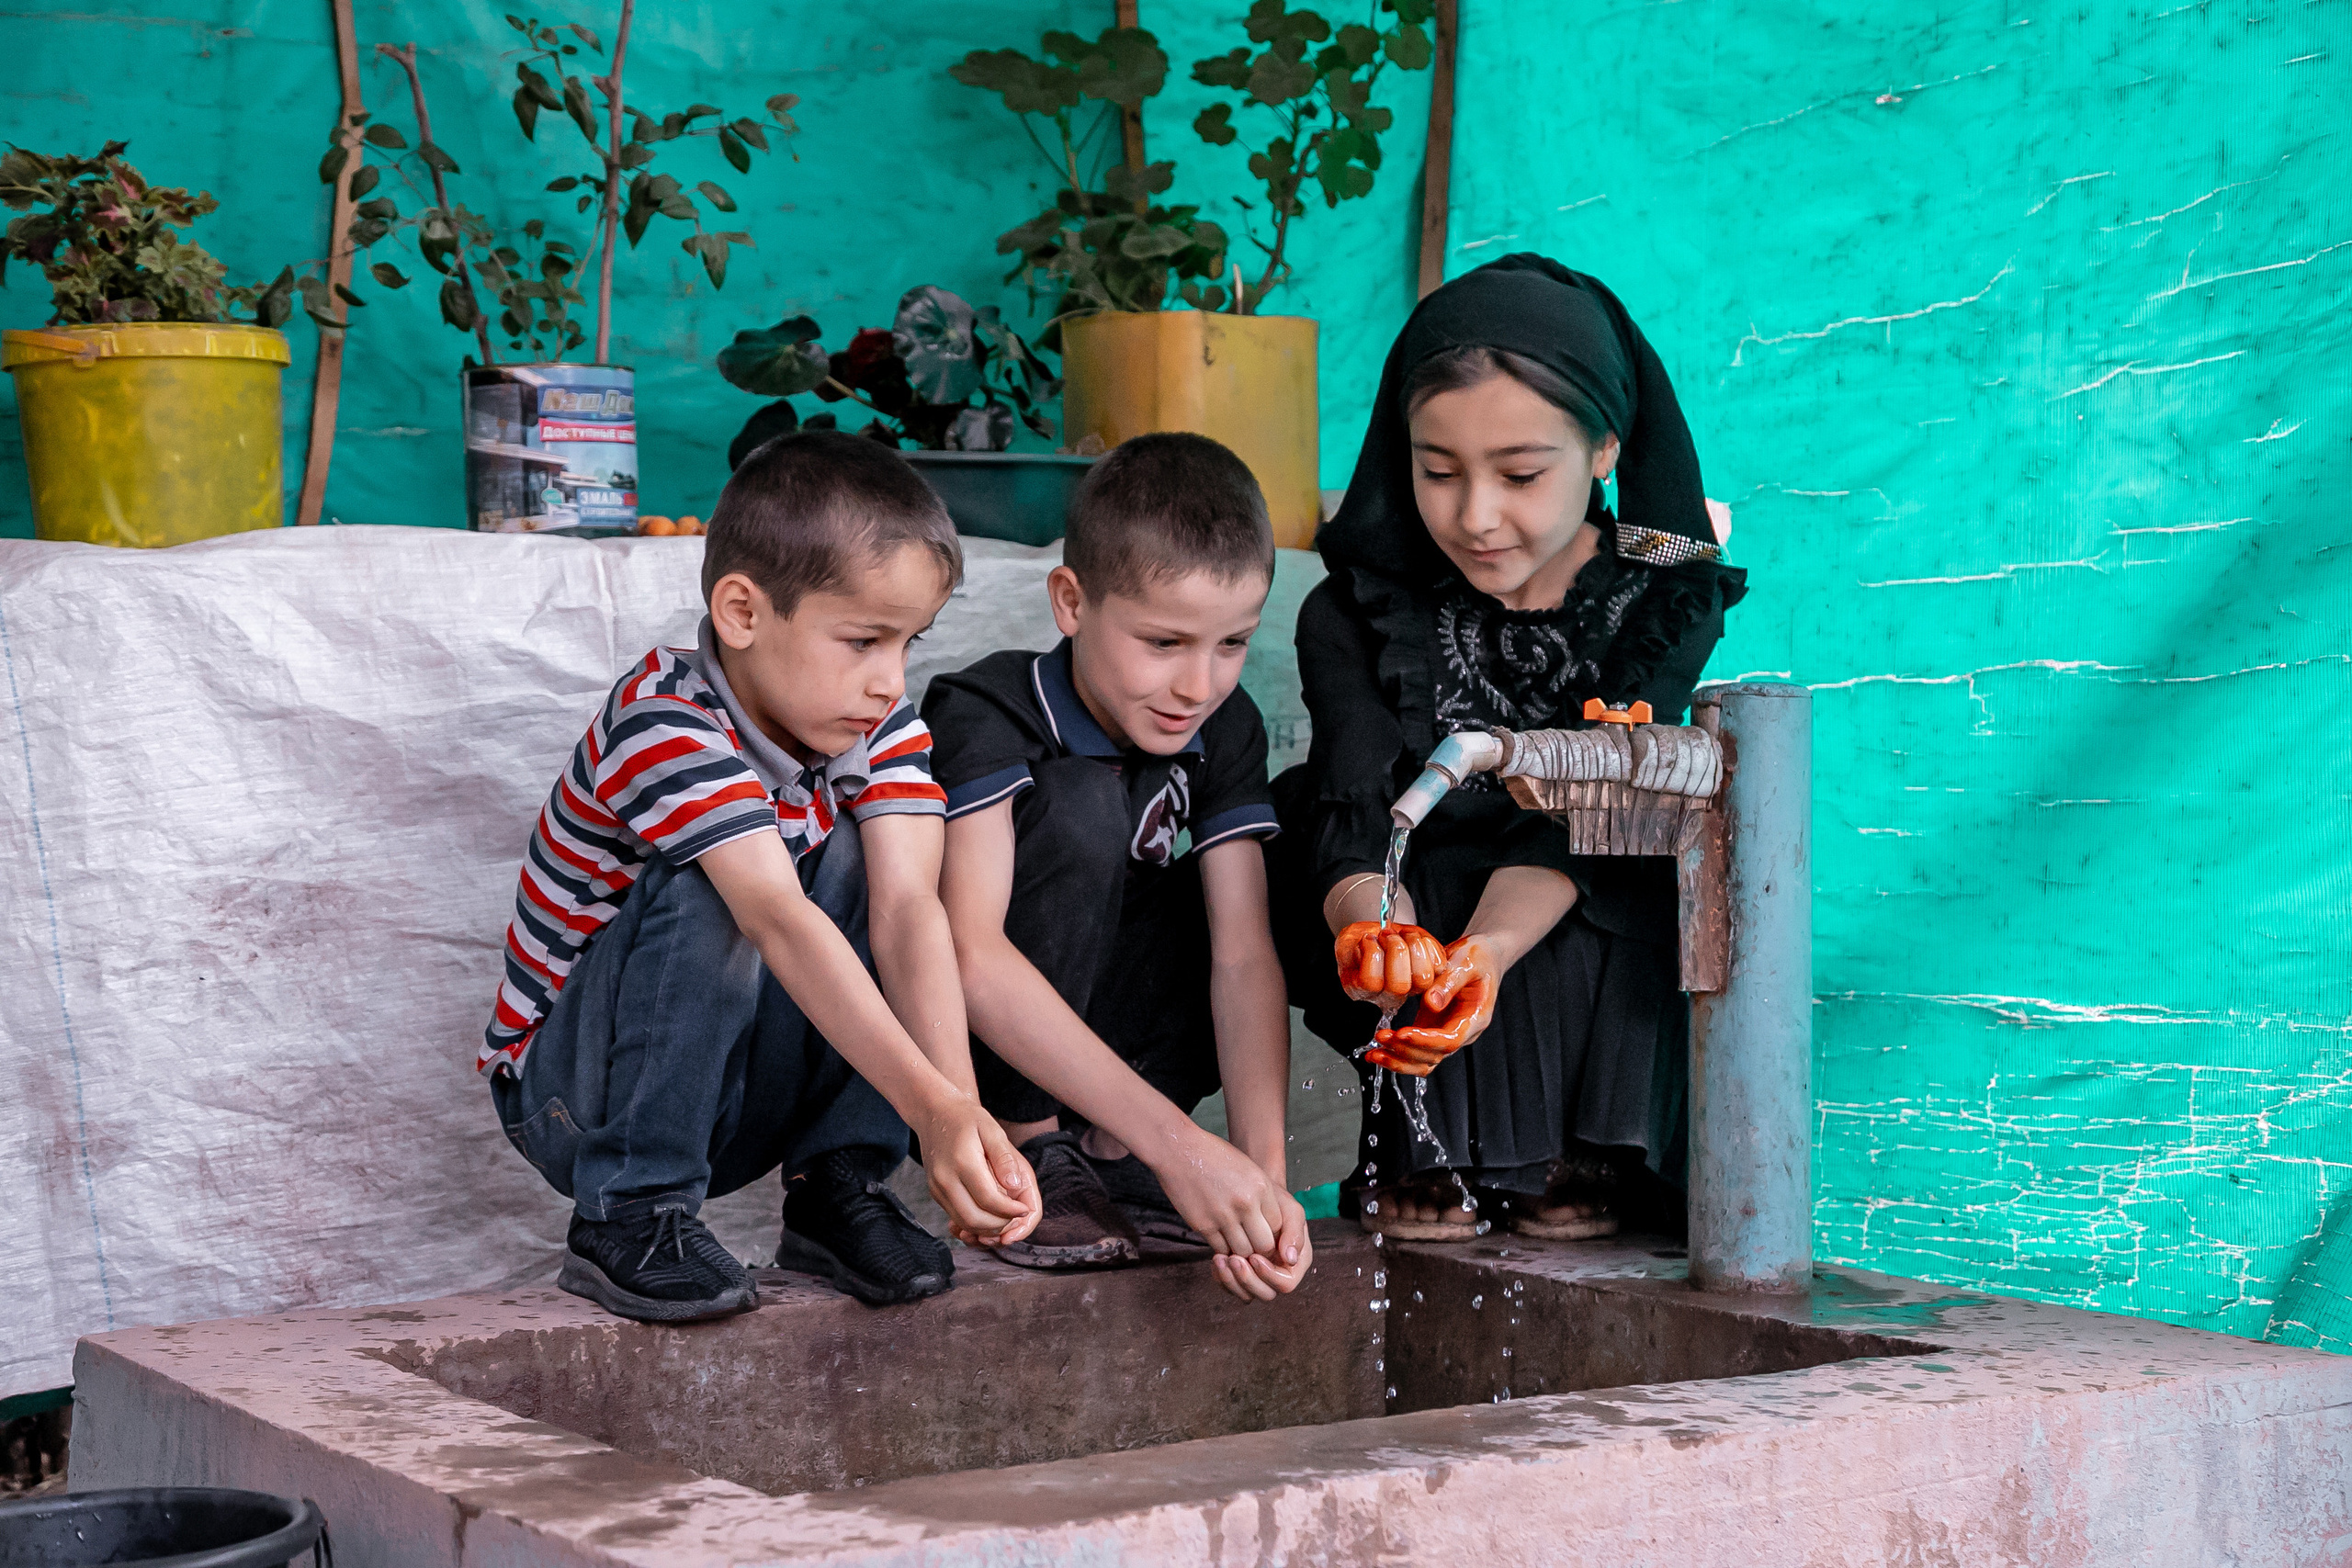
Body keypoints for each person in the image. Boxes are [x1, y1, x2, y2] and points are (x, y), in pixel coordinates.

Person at [481, 429, 1040, 1323]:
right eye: (862, 640)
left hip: (737, 1087)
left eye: (907, 643)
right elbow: (775, 915)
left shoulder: (875, 722)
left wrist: (958, 1118)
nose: (888, 681)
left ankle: (839, 1187)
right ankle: (630, 1211)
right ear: (742, 612)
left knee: (864, 855)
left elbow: (904, 912)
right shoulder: (664, 720)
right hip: (576, 1101)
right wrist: (933, 1104)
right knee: (727, 886)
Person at [1271, 254, 1747, 1242]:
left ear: (1607, 446)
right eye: (1436, 471)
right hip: (1415, 881)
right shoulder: (1351, 612)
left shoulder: (1660, 605)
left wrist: (1484, 955)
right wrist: (1382, 933)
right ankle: (1419, 1150)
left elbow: (1586, 820)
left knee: (1635, 856)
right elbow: (1358, 808)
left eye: (1521, 474)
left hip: (1571, 885)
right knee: (1310, 843)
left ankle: (1579, 1151)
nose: (1475, 516)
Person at [922, 434, 1312, 1303]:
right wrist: (1185, 1147)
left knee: (1266, 884)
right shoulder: (985, 709)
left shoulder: (1226, 723)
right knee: (1083, 810)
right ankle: (1030, 1146)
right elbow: (968, 953)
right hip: (980, 1062)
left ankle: (1110, 1156)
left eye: (1232, 643)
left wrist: (1262, 1178)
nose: (1198, 684)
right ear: (1071, 600)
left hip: (1116, 1062)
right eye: (1164, 641)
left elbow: (1243, 956)